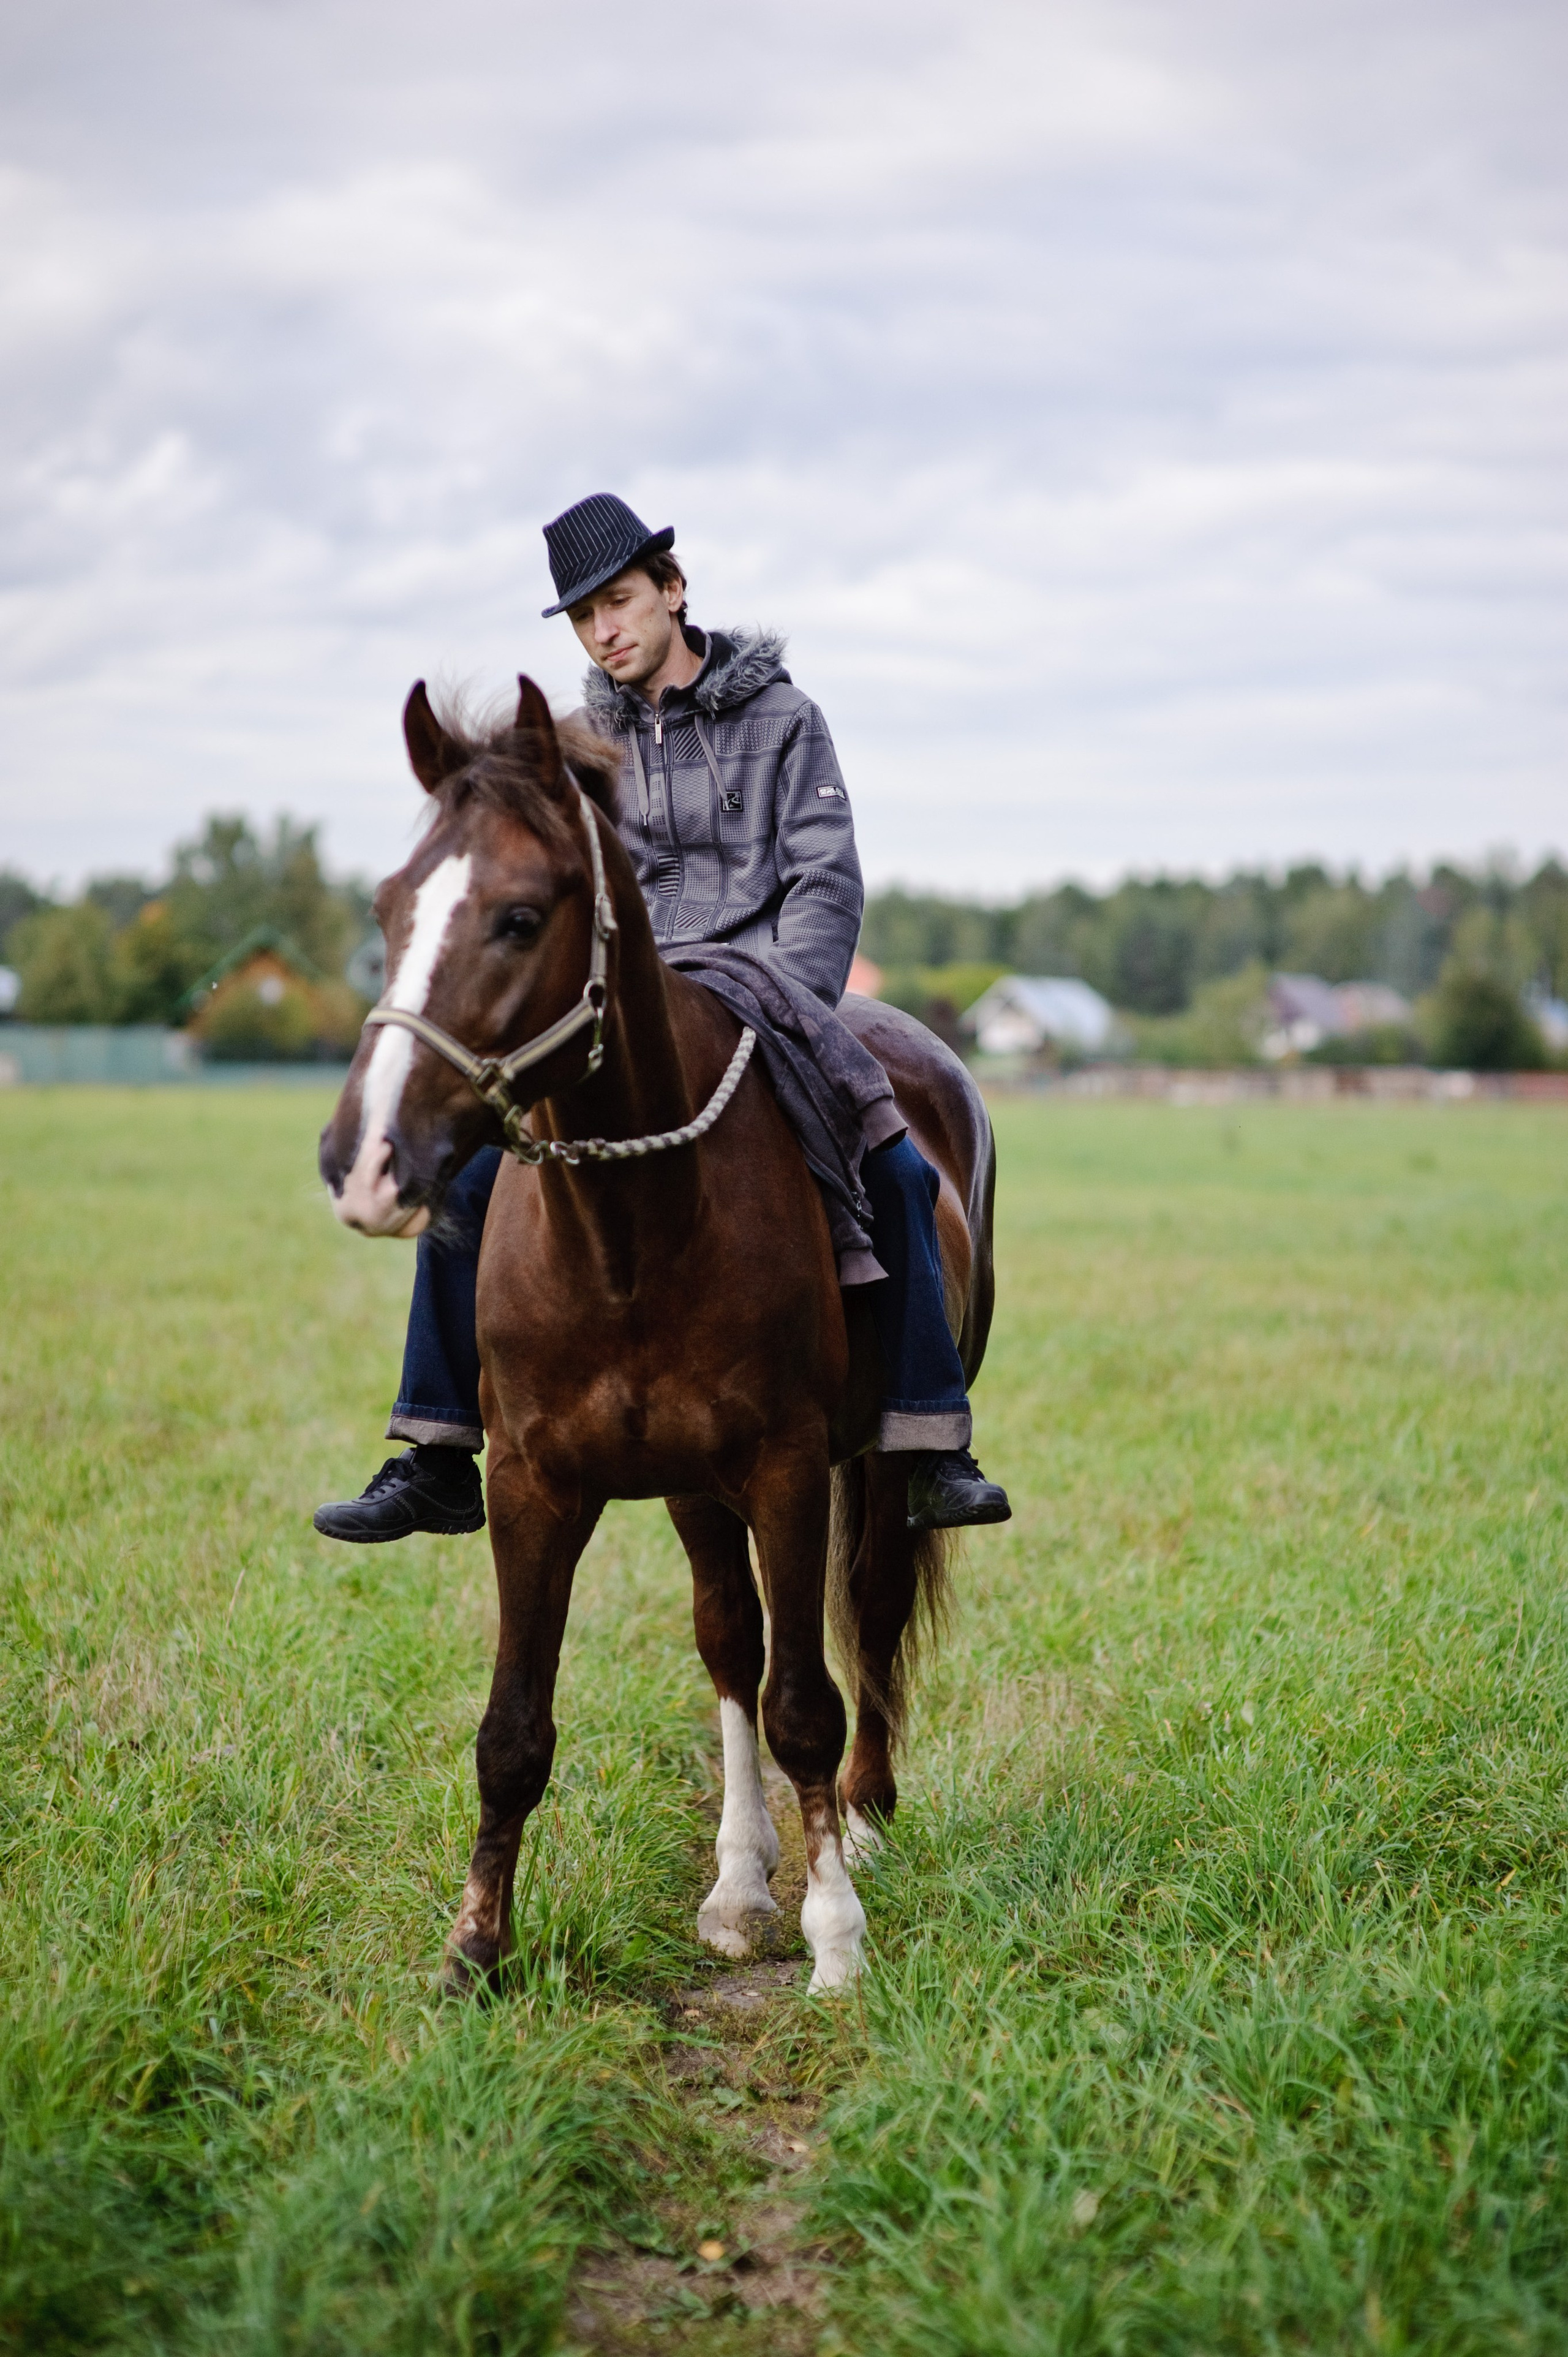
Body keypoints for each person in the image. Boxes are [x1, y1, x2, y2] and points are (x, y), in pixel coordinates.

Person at [315, 494, 1011, 1544]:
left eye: (621, 601)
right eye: (585, 616)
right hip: (627, 1014)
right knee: (469, 1171)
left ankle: (927, 1436)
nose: (605, 630)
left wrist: (776, 999)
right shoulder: (577, 747)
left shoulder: (786, 720)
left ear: (674, 590)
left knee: (900, 1163)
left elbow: (825, 884)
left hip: (772, 996)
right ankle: (441, 1448)